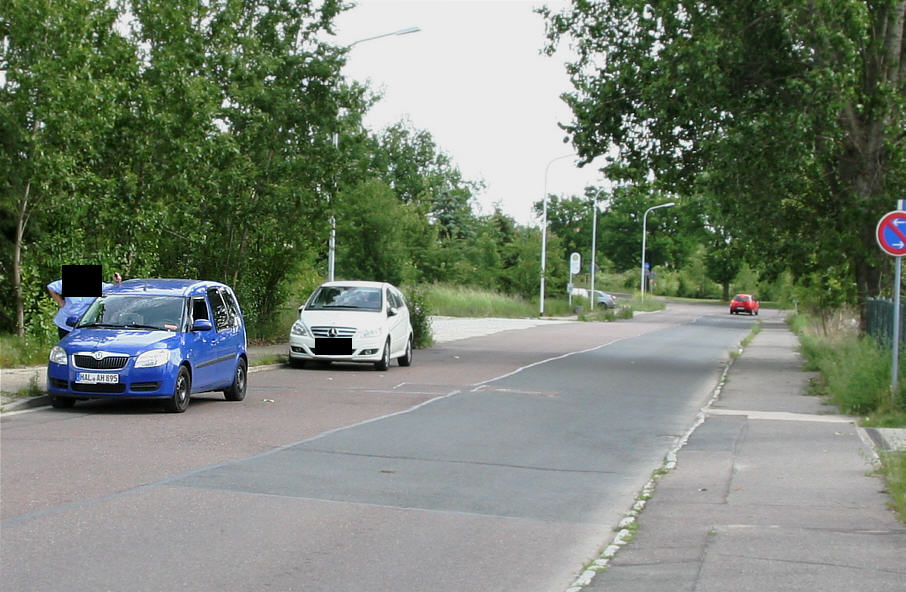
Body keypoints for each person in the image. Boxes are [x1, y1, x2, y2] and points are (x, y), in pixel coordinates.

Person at [47, 272, 122, 339]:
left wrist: (118, 282)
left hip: (84, 324)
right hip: (65, 323)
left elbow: (114, 288)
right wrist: (60, 301)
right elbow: (51, 287)